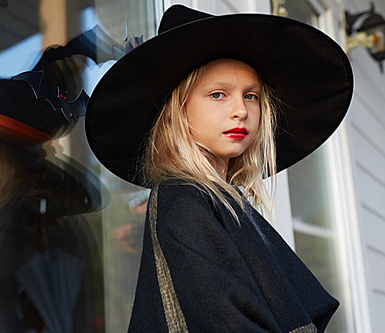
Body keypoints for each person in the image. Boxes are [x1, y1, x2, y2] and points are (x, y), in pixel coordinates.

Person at [85, 4, 353, 332]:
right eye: (217, 94)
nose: (240, 110)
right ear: (178, 112)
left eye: (251, 96)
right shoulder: (182, 197)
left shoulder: (230, 204)